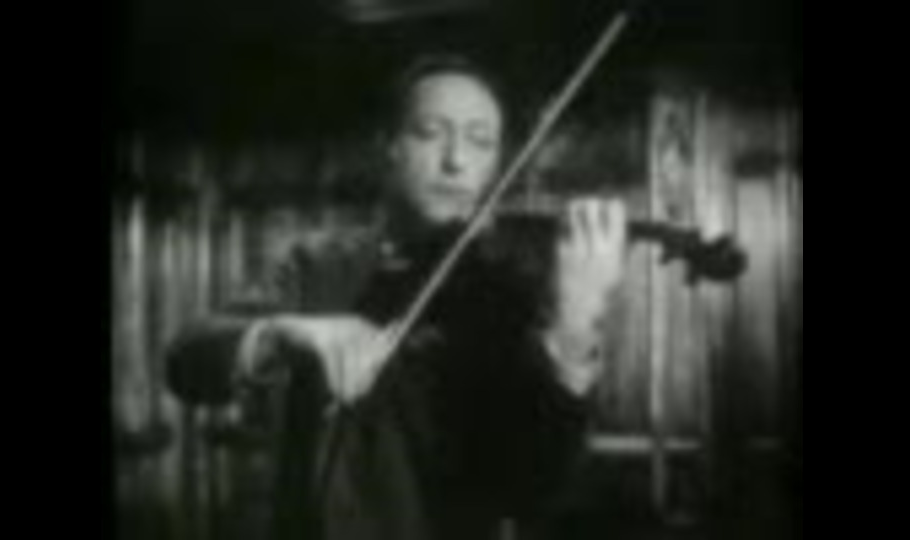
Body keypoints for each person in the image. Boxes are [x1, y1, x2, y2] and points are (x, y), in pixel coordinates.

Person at [166, 54, 628, 540]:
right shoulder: (315, 266)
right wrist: (285, 333)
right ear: (389, 146)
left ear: (495, 163)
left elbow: (538, 490)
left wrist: (576, 325)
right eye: (430, 133)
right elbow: (184, 362)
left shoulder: (506, 292)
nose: (456, 161)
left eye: (480, 141)